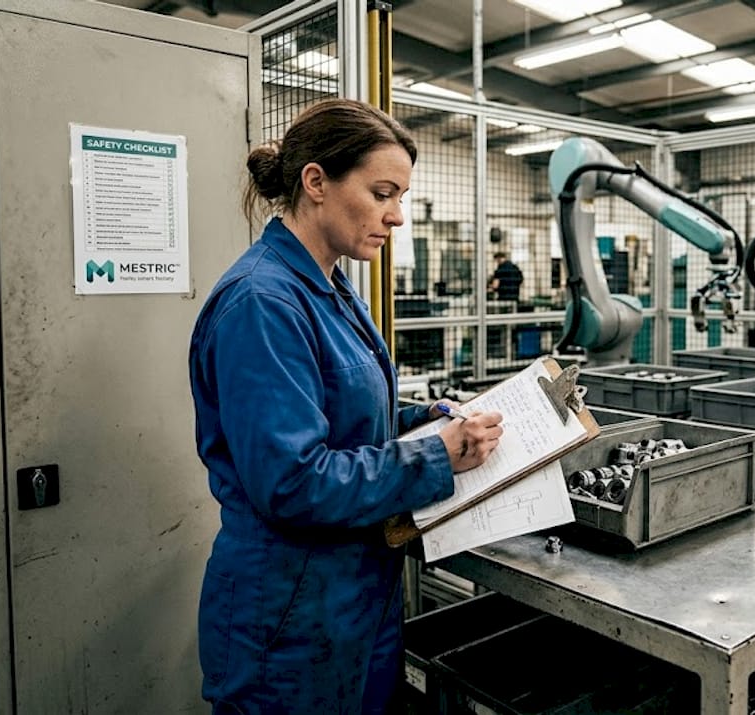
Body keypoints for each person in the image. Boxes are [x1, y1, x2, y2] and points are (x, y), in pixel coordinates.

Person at [188, 98, 504, 714]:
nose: (398, 216)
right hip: (290, 614)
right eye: (382, 192)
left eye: (402, 197)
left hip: (355, 598)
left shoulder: (332, 285)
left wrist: (433, 418)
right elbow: (293, 481)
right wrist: (436, 458)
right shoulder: (263, 302)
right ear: (315, 183)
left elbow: (354, 417)